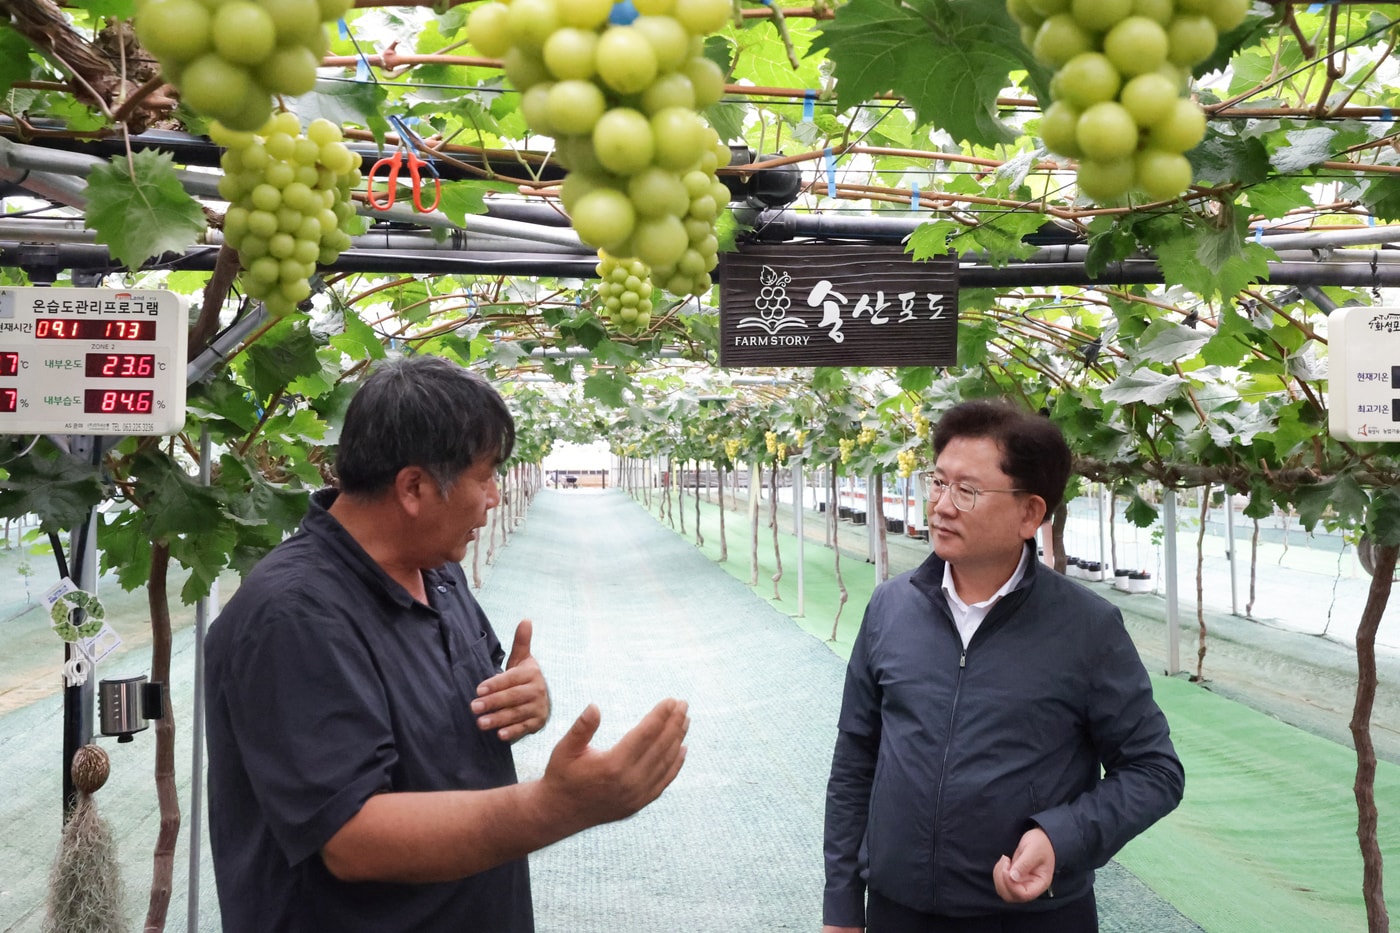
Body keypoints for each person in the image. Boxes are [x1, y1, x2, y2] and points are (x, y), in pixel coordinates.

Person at [205, 354, 689, 933]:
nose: (494, 496)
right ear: (414, 487)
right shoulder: (293, 617)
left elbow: (462, 707)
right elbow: (352, 839)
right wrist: (555, 807)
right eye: (484, 477)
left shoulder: (435, 568)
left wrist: (521, 700)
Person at [822, 399, 1184, 933]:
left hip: (1033, 917)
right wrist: (843, 904)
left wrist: (1060, 836)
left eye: (967, 490)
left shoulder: (1086, 628)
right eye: (938, 482)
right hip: (899, 911)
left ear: (1029, 514)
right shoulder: (890, 608)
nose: (941, 505)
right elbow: (856, 759)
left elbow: (1155, 771)